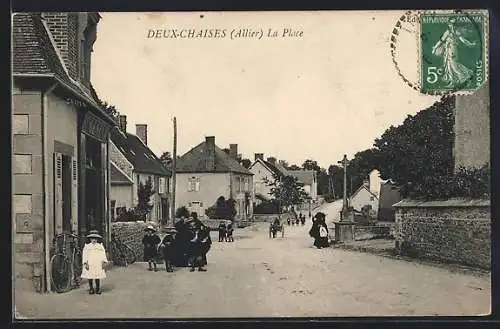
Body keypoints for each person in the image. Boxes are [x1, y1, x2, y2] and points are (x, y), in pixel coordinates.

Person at [81, 230, 108, 295]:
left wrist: (104, 261)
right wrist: (85, 263)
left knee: (97, 276)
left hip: (97, 263)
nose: (94, 240)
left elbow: (103, 254)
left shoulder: (100, 246)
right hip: (90, 263)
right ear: (90, 239)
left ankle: (98, 289)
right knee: (90, 276)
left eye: (95, 238)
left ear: (97, 239)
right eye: (92, 238)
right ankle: (91, 288)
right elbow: (85, 255)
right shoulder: (87, 246)